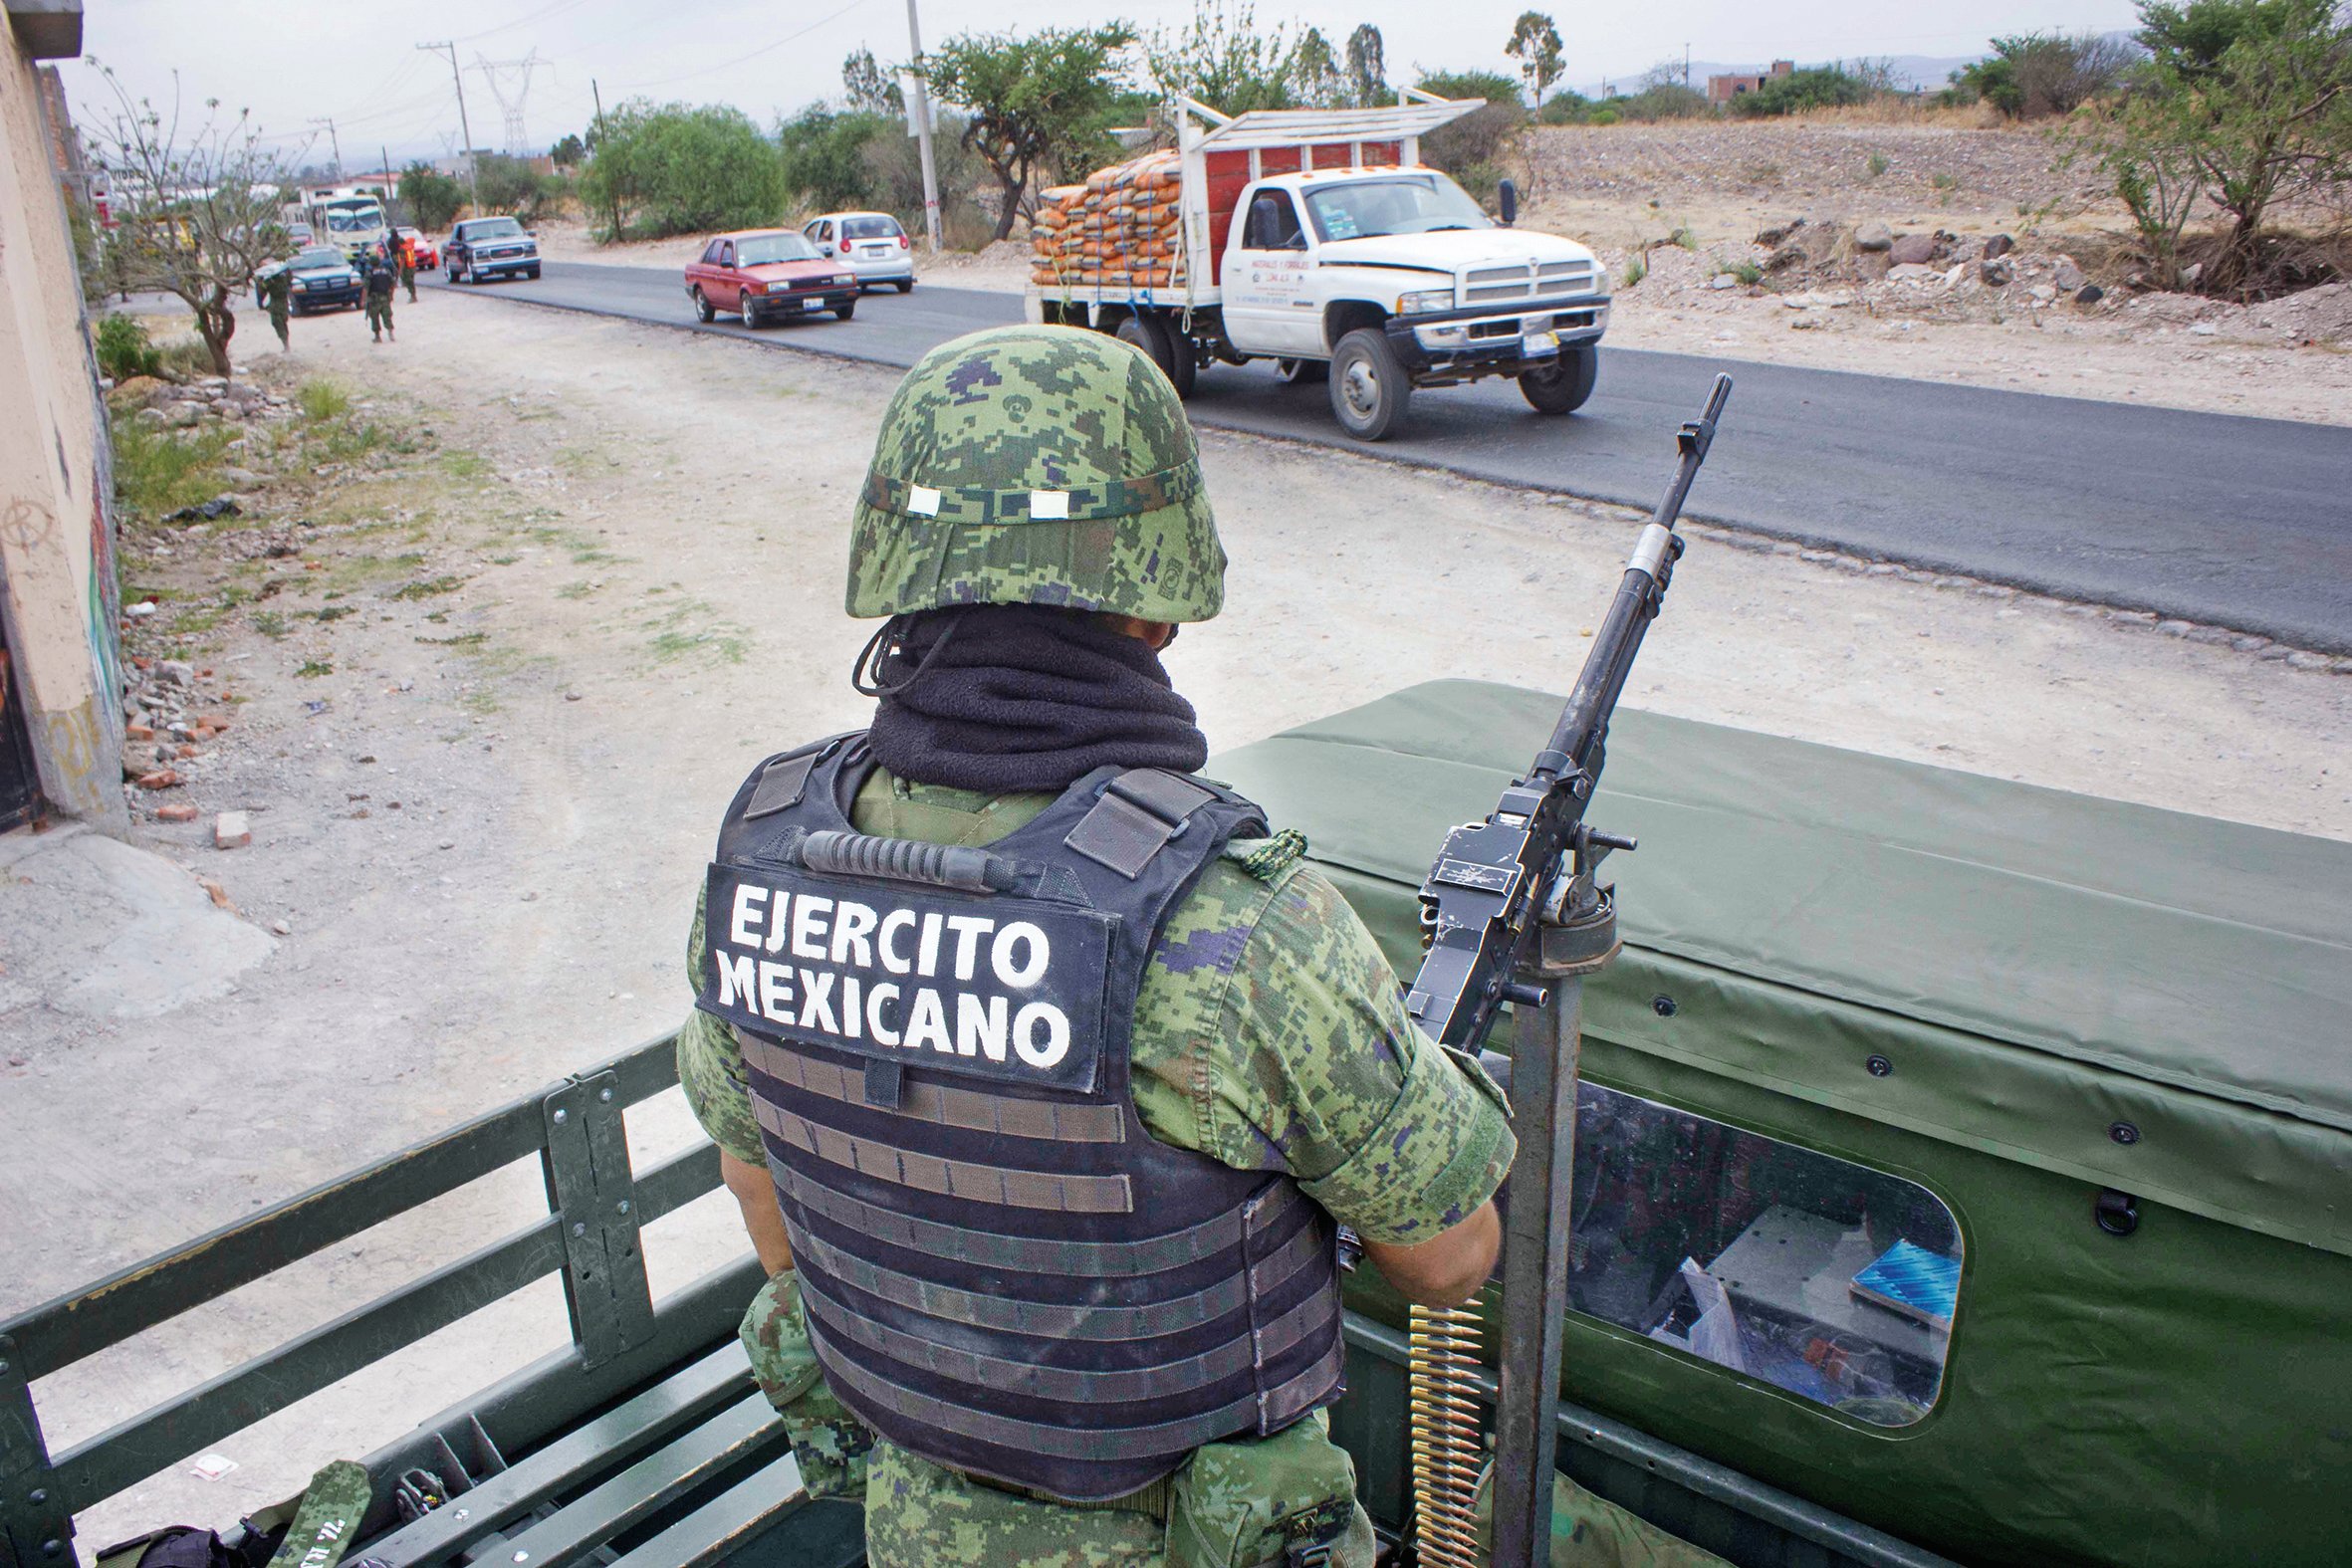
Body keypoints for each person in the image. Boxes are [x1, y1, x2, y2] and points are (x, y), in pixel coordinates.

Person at [680, 324, 1516, 1567]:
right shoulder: (1234, 923)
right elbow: (1451, 1258)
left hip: (912, 1528)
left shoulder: (760, 853)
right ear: (1156, 596)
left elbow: (769, 1204)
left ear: (905, 567)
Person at [362, 246, 395, 343]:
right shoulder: (386, 271)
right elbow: (392, 283)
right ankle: (391, 333)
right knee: (387, 316)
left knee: (375, 318)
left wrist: (363, 300)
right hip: (385, 297)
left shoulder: (370, 272)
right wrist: (391, 294)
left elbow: (366, 287)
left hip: (374, 299)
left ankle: (377, 337)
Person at [258, 265, 292, 351]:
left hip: (275, 305)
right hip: (284, 304)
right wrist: (288, 270)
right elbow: (290, 281)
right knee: (283, 323)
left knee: (278, 324)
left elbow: (261, 292)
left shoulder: (269, 282)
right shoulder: (284, 279)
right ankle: (286, 343)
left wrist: (259, 280)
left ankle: (286, 345)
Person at [396, 232, 417, 304]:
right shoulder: (409, 246)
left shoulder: (402, 249)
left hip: (407, 268)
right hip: (413, 266)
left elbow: (403, 260)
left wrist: (400, 270)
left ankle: (413, 296)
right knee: (412, 282)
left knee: (408, 282)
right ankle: (414, 295)